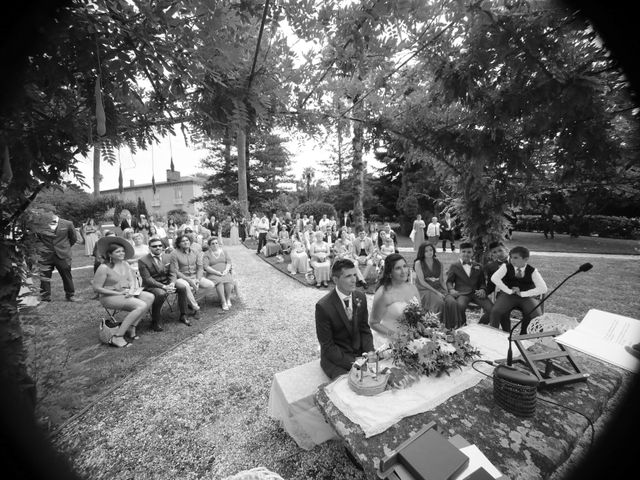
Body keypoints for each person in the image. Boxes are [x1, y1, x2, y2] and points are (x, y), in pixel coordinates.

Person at [315, 259, 374, 379]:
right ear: (335, 280)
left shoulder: (361, 297)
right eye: (348, 276)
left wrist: (369, 351)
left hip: (360, 354)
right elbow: (327, 345)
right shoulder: (323, 306)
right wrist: (354, 362)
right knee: (350, 389)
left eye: (354, 275)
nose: (354, 280)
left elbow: (364, 329)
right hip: (337, 360)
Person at [92, 238, 154, 347]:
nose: (122, 253)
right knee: (141, 305)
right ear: (110, 254)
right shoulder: (103, 268)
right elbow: (97, 288)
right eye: (118, 251)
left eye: (122, 251)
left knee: (150, 297)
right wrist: (118, 294)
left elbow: (132, 280)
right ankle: (117, 336)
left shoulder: (125, 264)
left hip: (125, 293)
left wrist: (131, 290)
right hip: (109, 296)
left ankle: (132, 327)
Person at [490, 246, 548, 334]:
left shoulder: (532, 271)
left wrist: (523, 293)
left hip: (526, 297)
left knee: (536, 317)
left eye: (516, 258)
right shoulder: (506, 267)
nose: (512, 260)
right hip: (509, 295)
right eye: (511, 257)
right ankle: (494, 334)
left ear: (525, 259)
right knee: (496, 311)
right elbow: (494, 278)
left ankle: (526, 338)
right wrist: (508, 290)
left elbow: (543, 288)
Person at [369, 253, 420, 347]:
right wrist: (396, 336)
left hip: (412, 338)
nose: (404, 271)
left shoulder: (413, 288)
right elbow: (373, 323)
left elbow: (419, 314)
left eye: (405, 266)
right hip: (389, 340)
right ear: (389, 273)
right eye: (398, 268)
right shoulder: (383, 294)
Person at [138, 238, 190, 331]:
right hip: (152, 285)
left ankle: (183, 315)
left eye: (160, 245)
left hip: (167, 282)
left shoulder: (168, 257)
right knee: (161, 293)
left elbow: (173, 273)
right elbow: (147, 279)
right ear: (149, 248)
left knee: (182, 287)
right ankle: (155, 321)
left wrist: (172, 284)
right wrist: (164, 287)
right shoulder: (143, 260)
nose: (158, 248)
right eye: (154, 246)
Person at [443, 242, 493, 328]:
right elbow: (449, 281)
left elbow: (482, 282)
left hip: (476, 293)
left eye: (469, 252)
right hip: (462, 293)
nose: (466, 254)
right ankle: (463, 326)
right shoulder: (454, 266)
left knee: (492, 309)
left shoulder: (478, 266)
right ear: (460, 252)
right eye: (464, 251)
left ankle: (480, 326)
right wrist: (451, 289)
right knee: (460, 306)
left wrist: (483, 289)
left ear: (473, 253)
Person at [168, 234, 215, 323]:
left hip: (194, 276)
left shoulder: (195, 252)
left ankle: (190, 301)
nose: (186, 242)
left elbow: (200, 267)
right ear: (178, 244)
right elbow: (175, 271)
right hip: (180, 278)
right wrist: (189, 280)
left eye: (187, 240)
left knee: (210, 285)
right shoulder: (174, 254)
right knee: (185, 285)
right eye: (183, 241)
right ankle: (196, 308)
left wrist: (197, 279)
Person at [36, 213, 78, 302]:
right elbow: (38, 239)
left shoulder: (68, 224)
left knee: (66, 275)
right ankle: (45, 297)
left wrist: (65, 247)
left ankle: (70, 295)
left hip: (62, 255)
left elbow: (73, 238)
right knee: (44, 276)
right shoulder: (40, 225)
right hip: (45, 255)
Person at [413, 242, 447, 319]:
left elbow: (441, 281)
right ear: (422, 252)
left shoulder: (439, 263)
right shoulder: (418, 263)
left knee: (449, 301)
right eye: (426, 251)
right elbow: (422, 282)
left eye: (431, 250)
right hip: (423, 289)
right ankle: (434, 323)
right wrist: (437, 293)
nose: (429, 252)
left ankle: (448, 324)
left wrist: (447, 291)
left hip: (437, 287)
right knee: (439, 303)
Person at [202, 237, 235, 311]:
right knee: (219, 282)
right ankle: (223, 302)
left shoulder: (224, 251)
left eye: (216, 243)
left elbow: (229, 262)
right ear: (209, 245)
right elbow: (206, 267)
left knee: (228, 281)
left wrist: (226, 270)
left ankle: (227, 299)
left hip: (224, 272)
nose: (215, 245)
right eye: (212, 243)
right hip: (213, 274)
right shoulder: (206, 254)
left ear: (218, 244)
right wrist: (217, 272)